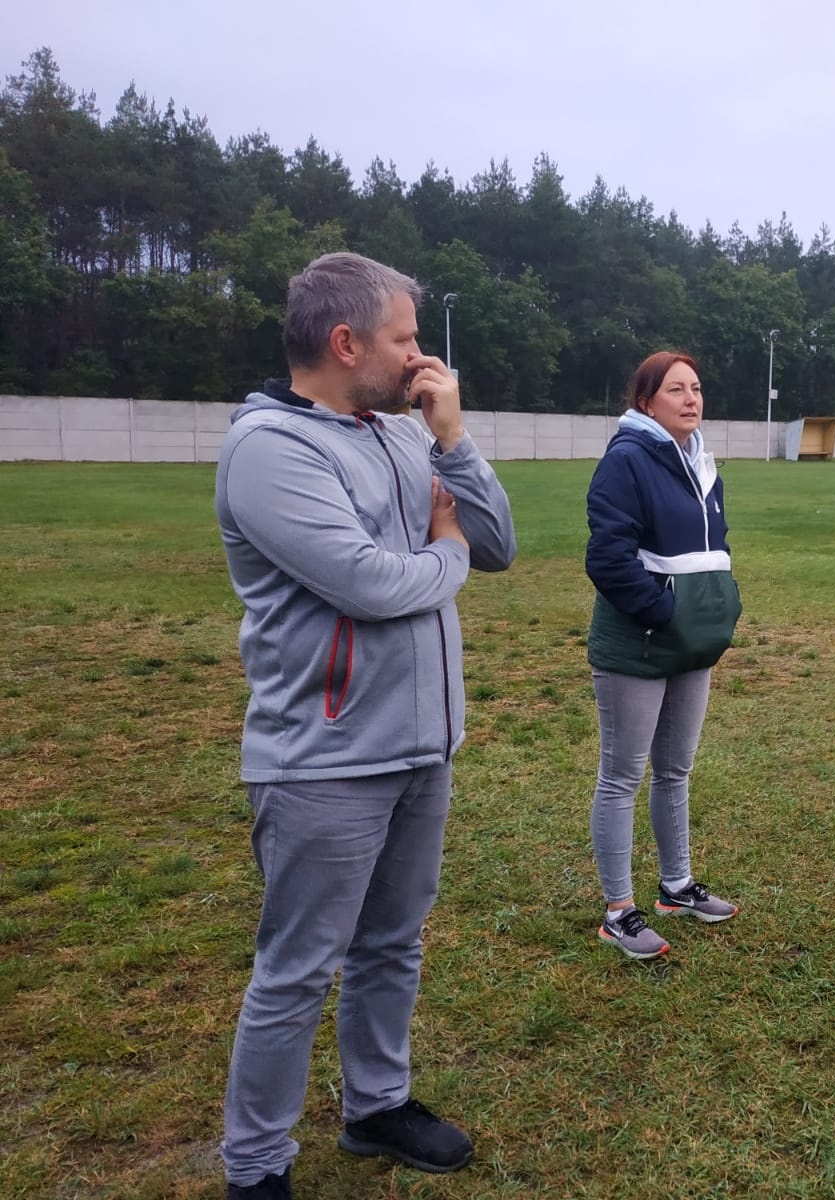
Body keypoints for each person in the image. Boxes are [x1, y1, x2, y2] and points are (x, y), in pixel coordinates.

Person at [214, 252, 516, 1198]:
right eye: (406, 339)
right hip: (324, 763)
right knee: (297, 971)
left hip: (422, 748)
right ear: (346, 344)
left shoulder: (397, 434)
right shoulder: (271, 450)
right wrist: (446, 550)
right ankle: (255, 1169)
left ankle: (375, 1107)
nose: (422, 359)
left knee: (393, 943)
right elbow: (373, 584)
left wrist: (454, 443)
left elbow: (497, 542)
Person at [584, 350, 743, 960]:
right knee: (622, 776)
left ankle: (677, 887)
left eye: (697, 388)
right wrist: (663, 612)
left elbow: (714, 550)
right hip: (639, 644)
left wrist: (720, 606)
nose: (691, 399)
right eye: (676, 389)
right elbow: (607, 558)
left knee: (675, 770)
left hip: (692, 644)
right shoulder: (627, 461)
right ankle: (619, 911)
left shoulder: (702, 464)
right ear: (645, 401)